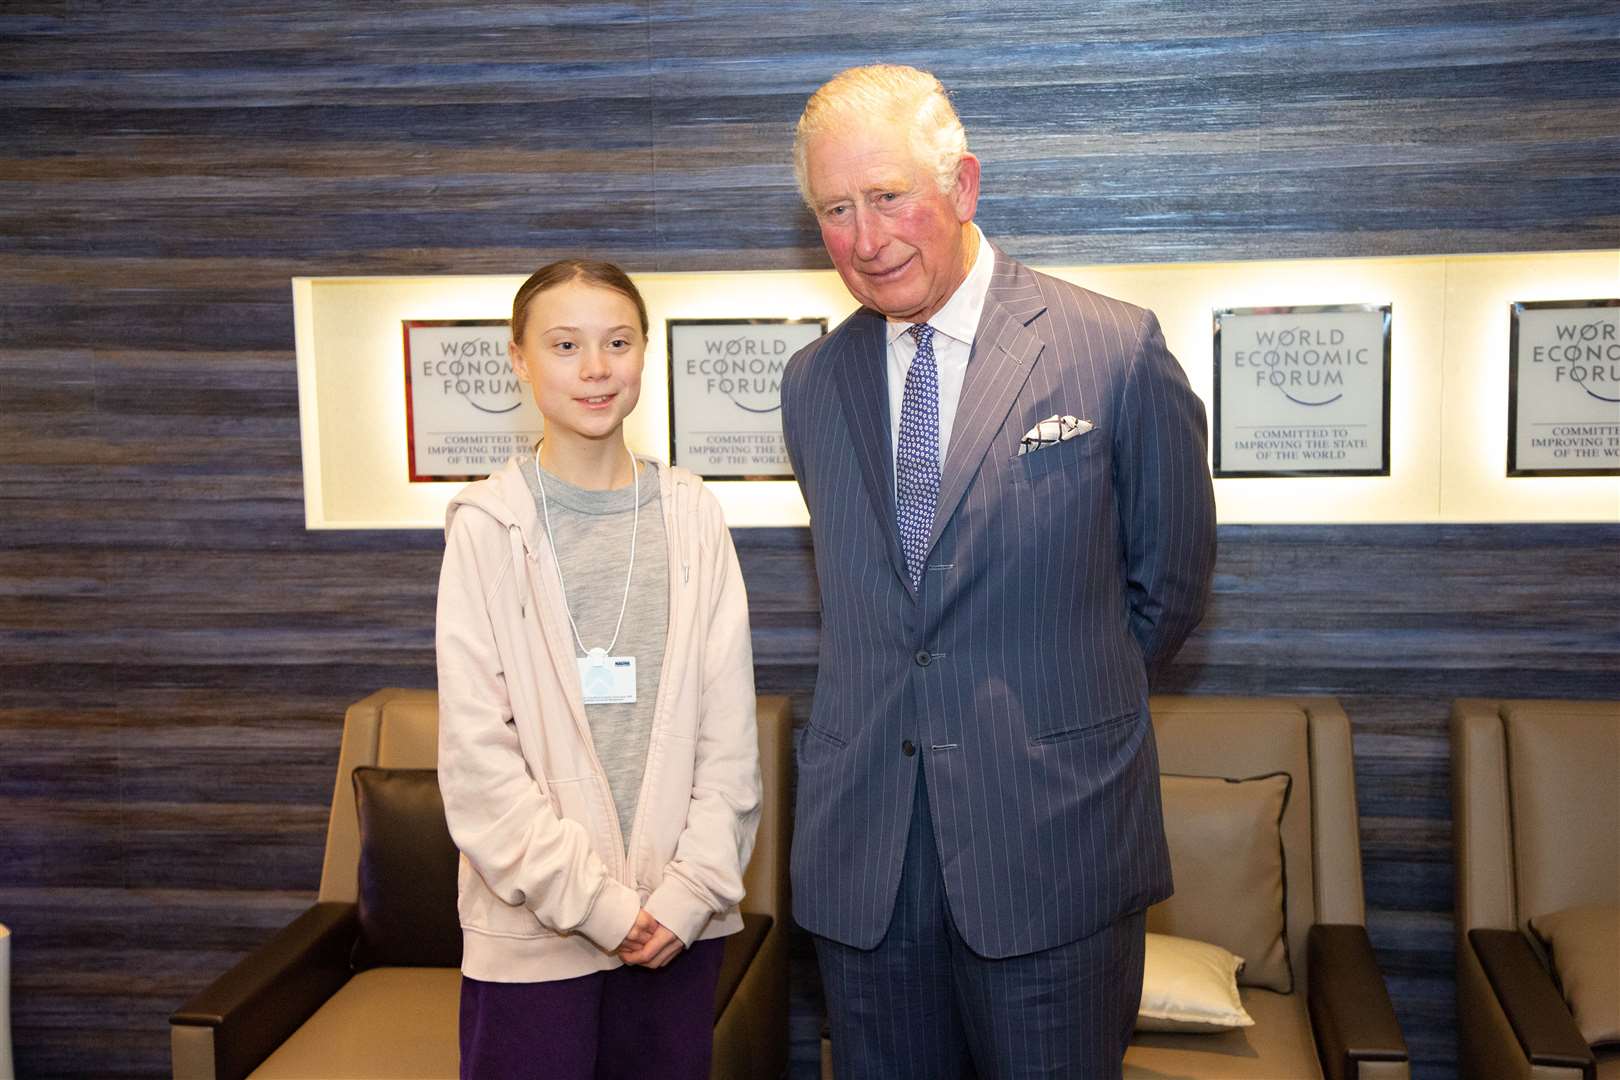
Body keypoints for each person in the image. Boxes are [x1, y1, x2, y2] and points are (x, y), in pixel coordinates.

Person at [781, 65, 1217, 1079]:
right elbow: (884, 602)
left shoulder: (1110, 350)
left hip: (1051, 846)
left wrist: (1046, 706)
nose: (866, 237)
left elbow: (1171, 589)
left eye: (888, 197)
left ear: (964, 186)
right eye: (835, 210)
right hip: (865, 863)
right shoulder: (813, 383)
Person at [435, 259, 760, 1080]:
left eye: (617, 342)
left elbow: (730, 746)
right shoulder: (486, 527)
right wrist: (603, 909)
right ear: (518, 359)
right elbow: (478, 771)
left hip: (677, 930)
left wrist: (681, 900)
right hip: (535, 939)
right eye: (565, 344)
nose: (595, 368)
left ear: (645, 351)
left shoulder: (694, 516)